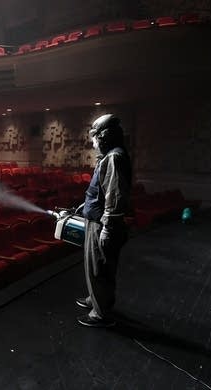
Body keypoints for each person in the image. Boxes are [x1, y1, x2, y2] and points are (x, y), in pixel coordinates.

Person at [76, 114, 131, 328]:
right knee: (94, 266)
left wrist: (108, 228)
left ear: (105, 137)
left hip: (102, 224)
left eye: (95, 137)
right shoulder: (109, 156)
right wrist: (86, 205)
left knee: (100, 267)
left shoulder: (114, 157)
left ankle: (100, 314)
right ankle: (95, 298)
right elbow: (101, 191)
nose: (93, 142)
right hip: (96, 220)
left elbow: (115, 197)